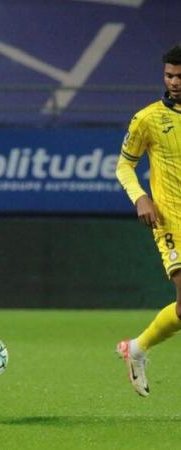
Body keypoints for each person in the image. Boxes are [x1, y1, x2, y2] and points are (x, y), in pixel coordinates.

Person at [116, 44, 181, 398]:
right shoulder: (148, 119)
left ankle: (137, 348)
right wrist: (140, 196)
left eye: (180, 76)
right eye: (169, 75)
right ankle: (138, 348)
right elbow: (124, 164)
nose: (174, 82)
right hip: (172, 220)